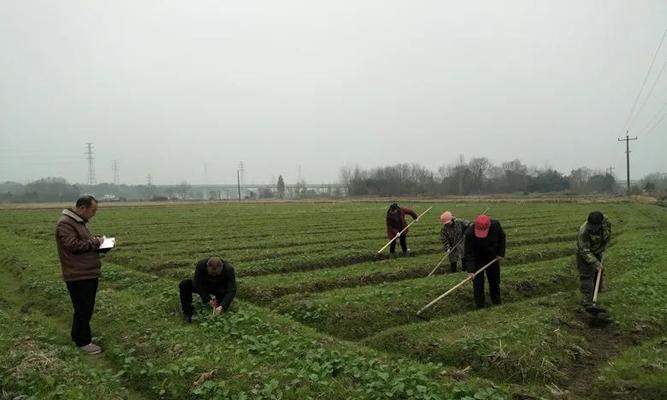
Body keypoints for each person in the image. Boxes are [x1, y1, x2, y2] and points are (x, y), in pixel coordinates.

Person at [55, 195, 105, 354]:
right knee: (83, 308)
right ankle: (83, 342)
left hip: (86, 272)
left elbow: (82, 243)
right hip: (79, 274)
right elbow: (72, 245)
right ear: (82, 208)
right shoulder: (65, 223)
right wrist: (97, 242)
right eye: (93, 210)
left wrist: (99, 242)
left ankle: (80, 336)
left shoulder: (77, 222)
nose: (94, 214)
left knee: (85, 308)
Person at [464, 214, 506, 309]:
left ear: (489, 226)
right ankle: (480, 306)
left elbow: (502, 238)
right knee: (478, 283)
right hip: (477, 259)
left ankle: (496, 302)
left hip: (492, 257)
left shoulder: (496, 225)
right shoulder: (470, 233)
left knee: (494, 281)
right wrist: (470, 270)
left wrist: (500, 253)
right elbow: (468, 252)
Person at [179, 256, 237, 322]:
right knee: (184, 284)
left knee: (223, 297)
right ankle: (188, 313)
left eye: (216, 274)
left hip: (219, 288)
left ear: (222, 267)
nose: (213, 276)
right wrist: (208, 299)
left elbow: (232, 290)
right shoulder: (201, 265)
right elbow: (197, 283)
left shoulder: (229, 269)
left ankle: (220, 308)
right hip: (205, 286)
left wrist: (222, 305)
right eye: (211, 274)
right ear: (207, 267)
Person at [576, 211, 611, 312]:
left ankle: (596, 295)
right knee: (587, 274)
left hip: (598, 250)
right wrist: (595, 263)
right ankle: (586, 300)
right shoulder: (583, 232)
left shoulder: (605, 222)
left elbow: (608, 233)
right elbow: (584, 251)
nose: (592, 228)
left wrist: (603, 248)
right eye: (591, 226)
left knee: (598, 272)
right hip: (585, 253)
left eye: (594, 226)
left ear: (600, 224)